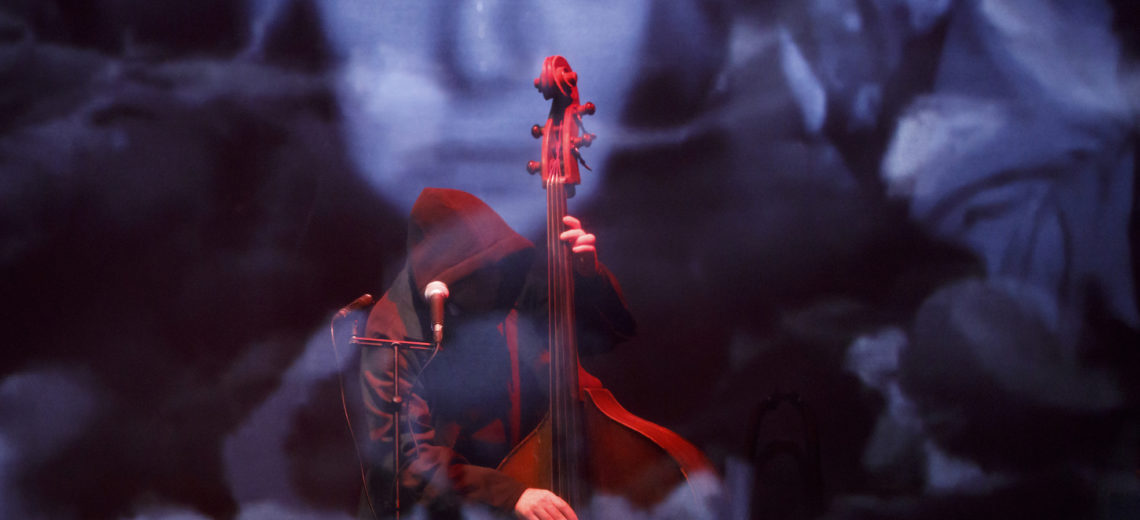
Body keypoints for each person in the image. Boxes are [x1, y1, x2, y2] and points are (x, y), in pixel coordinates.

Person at [358, 188, 635, 519]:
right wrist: (509, 495)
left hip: (512, 479)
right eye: (479, 276)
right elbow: (404, 458)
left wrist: (587, 278)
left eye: (498, 269)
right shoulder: (392, 330)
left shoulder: (502, 285)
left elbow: (601, 337)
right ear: (450, 280)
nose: (496, 284)